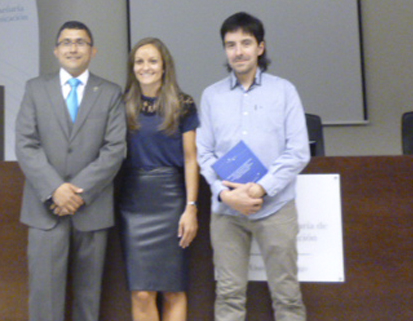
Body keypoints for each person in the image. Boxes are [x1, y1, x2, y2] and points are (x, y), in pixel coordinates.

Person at [196, 12, 310, 321]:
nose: (238, 51)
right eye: (230, 44)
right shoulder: (211, 96)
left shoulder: (284, 91)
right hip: (227, 214)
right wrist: (223, 194)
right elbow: (203, 153)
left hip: (275, 208)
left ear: (260, 47)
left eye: (246, 43)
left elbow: (298, 151)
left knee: (286, 295)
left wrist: (260, 187)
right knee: (229, 295)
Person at [15, 21, 127, 321]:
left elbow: (114, 149)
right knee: (44, 297)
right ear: (56, 50)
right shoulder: (35, 89)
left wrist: (76, 192)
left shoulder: (111, 93)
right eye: (66, 42)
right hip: (45, 209)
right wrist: (56, 189)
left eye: (80, 42)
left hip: (91, 208)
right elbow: (26, 144)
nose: (73, 48)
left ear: (93, 51)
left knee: (88, 297)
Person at [119, 37, 199, 321]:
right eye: (139, 61)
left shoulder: (183, 103)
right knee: (141, 292)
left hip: (171, 201)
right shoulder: (121, 104)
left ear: (164, 66)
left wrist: (191, 206)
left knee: (172, 290)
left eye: (153, 61)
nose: (146, 67)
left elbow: (191, 158)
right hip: (134, 201)